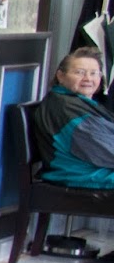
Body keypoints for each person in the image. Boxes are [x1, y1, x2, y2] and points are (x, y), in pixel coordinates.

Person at [32, 47, 114, 190]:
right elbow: (107, 152)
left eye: (94, 73)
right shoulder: (67, 109)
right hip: (81, 172)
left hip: (94, 167)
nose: (88, 78)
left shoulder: (76, 101)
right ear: (60, 76)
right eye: (79, 72)